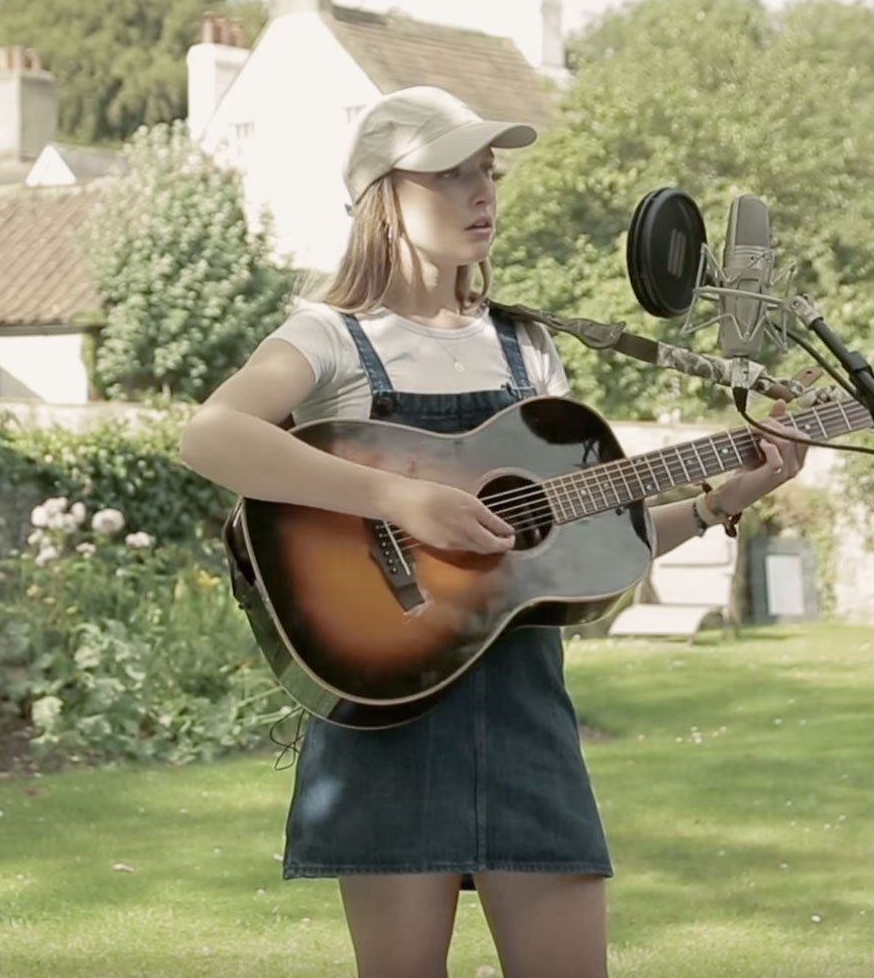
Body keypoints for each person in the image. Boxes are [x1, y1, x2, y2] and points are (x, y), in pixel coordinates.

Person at [178, 85, 808, 978]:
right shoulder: (329, 337)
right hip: (386, 705)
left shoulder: (526, 349)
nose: (482, 194)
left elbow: (580, 541)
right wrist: (401, 500)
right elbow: (210, 436)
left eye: (489, 172)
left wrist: (716, 503)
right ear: (384, 196)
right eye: (451, 174)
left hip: (523, 709)